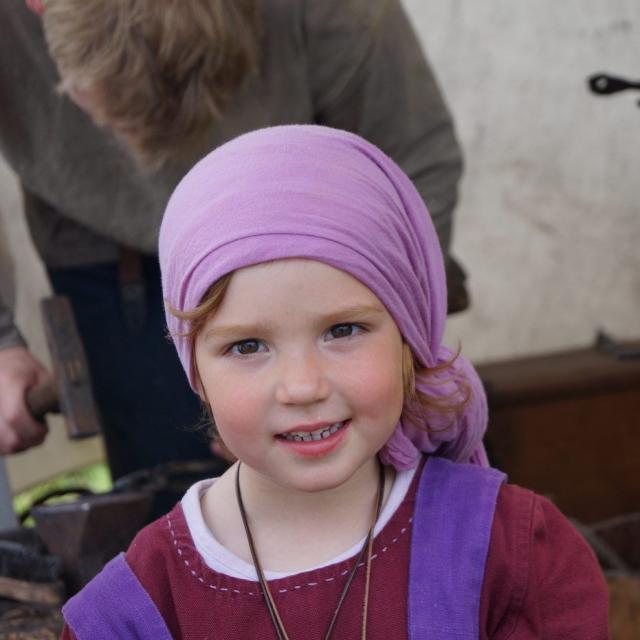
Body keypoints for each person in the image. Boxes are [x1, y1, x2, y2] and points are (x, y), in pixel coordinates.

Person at [60, 126, 609, 639]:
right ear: (195, 370)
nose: (302, 387)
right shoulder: (135, 611)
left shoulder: (512, 556)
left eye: (343, 330)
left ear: (410, 338)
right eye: (247, 346)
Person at [0, 0, 466, 482]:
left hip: (312, 245)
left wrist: (405, 320)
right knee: (168, 496)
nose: (300, 389)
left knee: (400, 485)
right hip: (108, 256)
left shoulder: (338, 11)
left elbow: (419, 157)